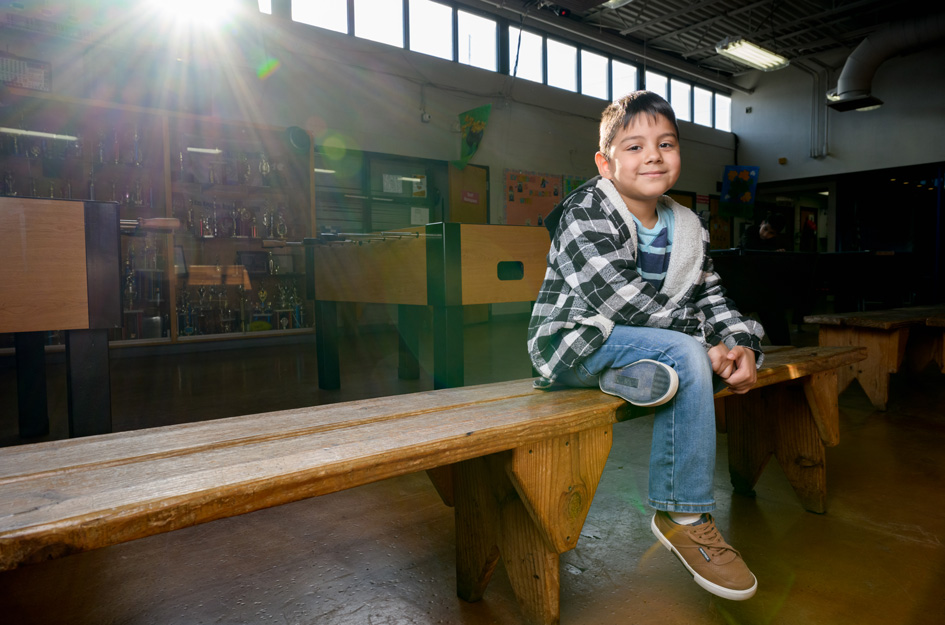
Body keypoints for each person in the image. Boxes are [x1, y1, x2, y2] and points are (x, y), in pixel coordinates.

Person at [527, 91, 763, 601]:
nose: (652, 155)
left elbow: (715, 298)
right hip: (574, 343)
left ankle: (630, 377)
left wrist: (742, 344)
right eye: (633, 146)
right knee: (687, 354)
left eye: (666, 143)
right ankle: (682, 512)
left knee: (687, 354)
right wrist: (706, 345)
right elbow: (622, 302)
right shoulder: (585, 211)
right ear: (605, 163)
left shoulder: (687, 227)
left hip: (636, 347)